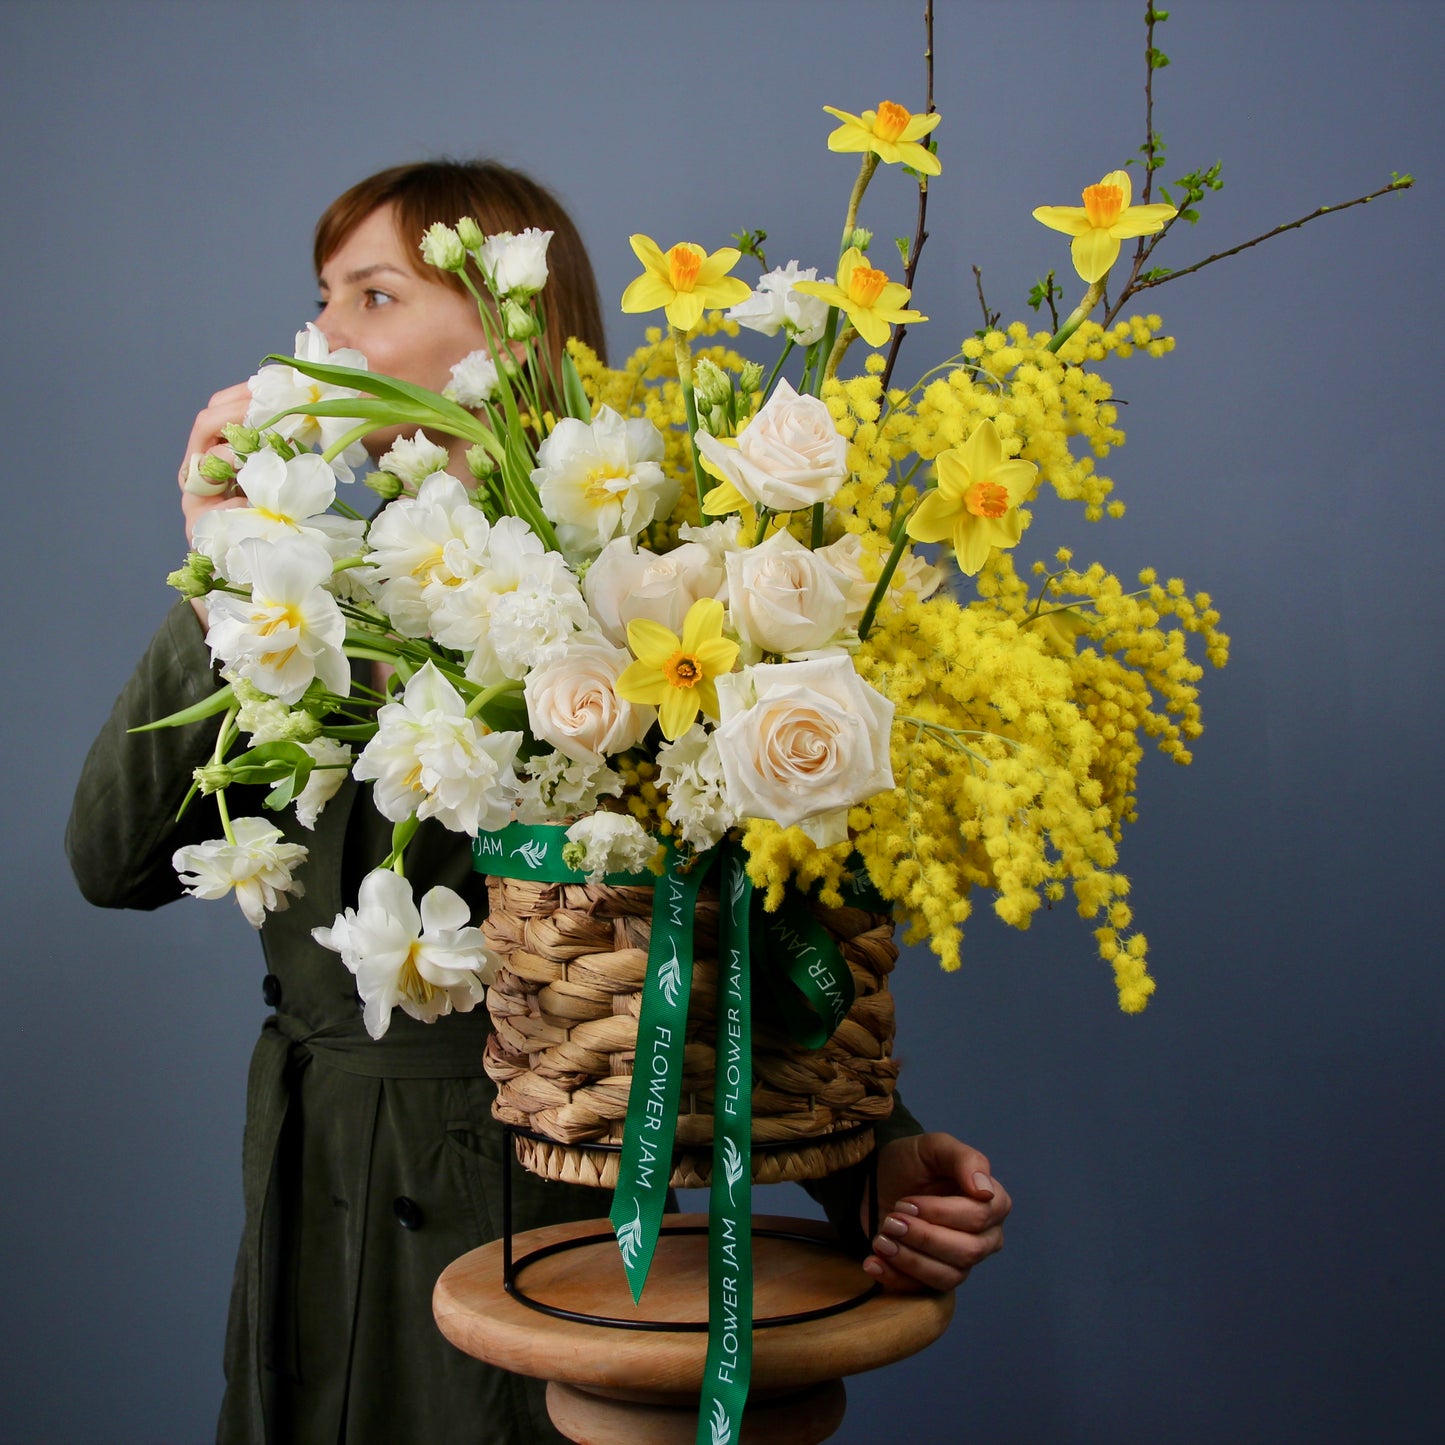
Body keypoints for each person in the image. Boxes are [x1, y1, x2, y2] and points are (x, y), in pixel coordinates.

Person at [67, 159, 1011, 1445]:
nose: (325, 336)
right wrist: (222, 577)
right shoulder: (307, 592)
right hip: (317, 1177)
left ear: (519, 326)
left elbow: (737, 916)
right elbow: (111, 861)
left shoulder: (652, 578)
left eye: (374, 294)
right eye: (322, 298)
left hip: (538, 1199)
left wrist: (879, 1165)